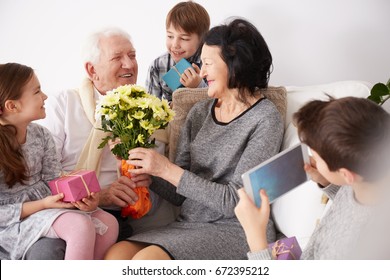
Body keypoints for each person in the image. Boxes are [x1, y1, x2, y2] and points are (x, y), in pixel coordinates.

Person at [104, 18, 284, 260]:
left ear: (235, 65)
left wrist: (166, 169)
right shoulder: (199, 112)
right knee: (117, 254)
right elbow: (179, 193)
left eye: (208, 63)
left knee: (145, 263)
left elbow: (237, 200)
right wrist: (150, 173)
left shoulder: (265, 119)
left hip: (236, 229)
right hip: (189, 224)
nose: (202, 72)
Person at [28, 27, 178, 259]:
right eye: (117, 58)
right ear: (92, 70)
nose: (129, 65)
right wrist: (101, 194)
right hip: (74, 213)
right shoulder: (65, 104)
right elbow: (44, 177)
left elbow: (166, 175)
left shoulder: (154, 111)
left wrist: (149, 179)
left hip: (139, 217)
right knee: (46, 252)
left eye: (133, 56)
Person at [234, 96, 390, 259]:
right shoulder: (367, 181)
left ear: (346, 174)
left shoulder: (358, 249)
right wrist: (327, 182)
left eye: (316, 155)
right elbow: (349, 207)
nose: (311, 158)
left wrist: (256, 240)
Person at [0, 63, 119, 259]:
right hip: (13, 222)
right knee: (79, 227)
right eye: (37, 92)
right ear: (12, 106)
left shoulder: (41, 135)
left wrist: (82, 201)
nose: (45, 96)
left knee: (109, 224)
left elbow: (54, 180)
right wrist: (44, 204)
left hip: (47, 206)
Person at [145, 0, 210, 102]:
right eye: (170, 36)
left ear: (202, 39)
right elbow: (150, 107)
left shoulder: (210, 64)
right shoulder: (158, 65)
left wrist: (199, 86)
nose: (175, 45)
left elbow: (220, 105)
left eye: (184, 39)